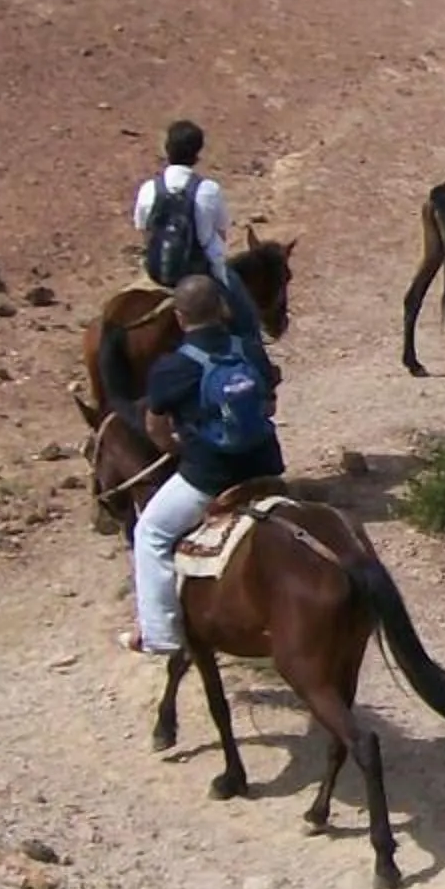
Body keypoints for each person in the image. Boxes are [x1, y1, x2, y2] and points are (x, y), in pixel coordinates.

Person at [121, 275, 284, 658]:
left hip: (210, 478)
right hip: (265, 467)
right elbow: (270, 406)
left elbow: (155, 427)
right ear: (223, 310)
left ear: (179, 318)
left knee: (150, 534)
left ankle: (161, 635)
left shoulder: (172, 367)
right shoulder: (249, 350)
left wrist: (177, 448)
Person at [133, 119, 264, 345]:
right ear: (197, 152)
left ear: (167, 149)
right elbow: (222, 232)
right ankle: (255, 360)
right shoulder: (208, 190)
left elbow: (143, 229)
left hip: (158, 271)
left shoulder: (149, 189)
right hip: (200, 271)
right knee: (246, 317)